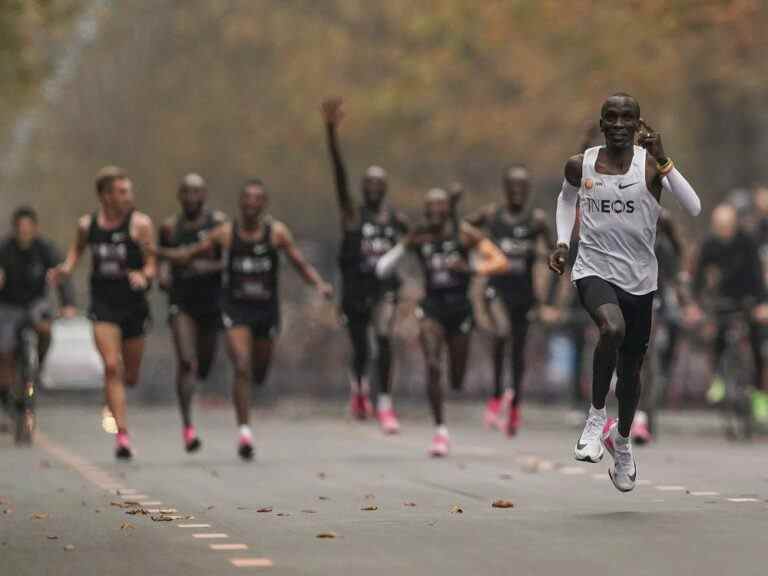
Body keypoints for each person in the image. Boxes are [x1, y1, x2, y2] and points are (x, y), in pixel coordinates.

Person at [550, 93, 701, 492]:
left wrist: (666, 160)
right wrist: (563, 243)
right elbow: (565, 200)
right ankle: (596, 415)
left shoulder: (650, 166)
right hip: (593, 270)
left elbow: (695, 206)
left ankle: (621, 442)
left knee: (632, 371)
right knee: (610, 330)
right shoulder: (580, 164)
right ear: (602, 124)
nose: (618, 124)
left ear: (637, 124)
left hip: (640, 280)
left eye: (626, 118)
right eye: (611, 117)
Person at [158, 179, 332, 460]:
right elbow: (187, 254)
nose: (251, 204)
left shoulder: (276, 233)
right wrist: (158, 255)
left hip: (265, 309)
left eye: (257, 199)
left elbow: (299, 263)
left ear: (264, 204)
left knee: (258, 373)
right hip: (235, 308)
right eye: (247, 199)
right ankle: (244, 432)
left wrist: (319, 284)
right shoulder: (226, 233)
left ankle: (248, 404)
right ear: (240, 204)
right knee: (241, 364)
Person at [376, 188, 509, 457]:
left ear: (448, 210)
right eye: (430, 206)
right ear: (425, 211)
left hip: (460, 312)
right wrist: (402, 246)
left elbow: (500, 261)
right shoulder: (419, 236)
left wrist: (472, 269)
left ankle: (450, 406)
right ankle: (440, 431)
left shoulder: (465, 234)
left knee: (456, 379)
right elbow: (382, 268)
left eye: (440, 206)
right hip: (432, 309)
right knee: (433, 364)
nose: (435, 211)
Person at [51, 166, 156, 460]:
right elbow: (75, 253)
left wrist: (144, 276)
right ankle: (122, 436)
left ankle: (115, 396)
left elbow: (152, 263)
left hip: (133, 306)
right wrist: (65, 270)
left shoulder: (140, 224)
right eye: (122, 192)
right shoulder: (88, 225)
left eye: (129, 191)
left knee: (130, 376)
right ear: (105, 195)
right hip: (103, 305)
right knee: (111, 367)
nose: (128, 197)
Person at [322, 98, 408, 433]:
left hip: (384, 290)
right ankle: (358, 387)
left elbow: (415, 241)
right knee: (360, 347)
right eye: (368, 184)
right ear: (362, 189)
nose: (373, 188)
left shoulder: (395, 218)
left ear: (385, 189)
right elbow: (339, 176)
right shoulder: (352, 214)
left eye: (378, 184)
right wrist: (331, 133)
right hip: (355, 290)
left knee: (384, 338)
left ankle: (385, 403)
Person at [465, 165, 554, 435]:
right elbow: (462, 227)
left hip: (524, 294)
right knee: (501, 333)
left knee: (518, 351)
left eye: (522, 187)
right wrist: (482, 247)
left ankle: (514, 406)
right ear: (505, 189)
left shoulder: (536, 220)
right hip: (497, 289)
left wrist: (547, 298)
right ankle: (495, 396)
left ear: (528, 191)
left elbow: (555, 255)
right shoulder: (492, 215)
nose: (516, 191)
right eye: (512, 186)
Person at [158, 174, 227, 453]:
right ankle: (188, 427)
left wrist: (205, 268)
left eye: (196, 192)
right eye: (186, 192)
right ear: (179, 196)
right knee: (187, 361)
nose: (191, 198)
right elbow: (162, 258)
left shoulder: (219, 224)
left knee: (204, 365)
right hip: (182, 301)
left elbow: (229, 260)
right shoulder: (170, 227)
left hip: (211, 303)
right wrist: (162, 276)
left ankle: (194, 383)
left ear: (205, 195)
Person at [686, 203, 768, 424]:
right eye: (719, 226)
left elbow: (757, 275)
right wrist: (694, 304)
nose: (723, 230)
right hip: (723, 299)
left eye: (726, 226)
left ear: (734, 225)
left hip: (748, 298)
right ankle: (719, 379)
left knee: (757, 342)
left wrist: (762, 304)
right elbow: (698, 278)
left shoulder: (747, 242)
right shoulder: (710, 244)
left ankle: (760, 395)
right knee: (718, 336)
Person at [0, 207, 76, 421]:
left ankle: (37, 367)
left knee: (45, 329)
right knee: (4, 348)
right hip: (8, 305)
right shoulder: (4, 249)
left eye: (28, 228)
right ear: (14, 229)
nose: (24, 232)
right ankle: (5, 390)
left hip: (36, 303)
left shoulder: (45, 249)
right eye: (20, 228)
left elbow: (62, 276)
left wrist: (68, 303)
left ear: (35, 228)